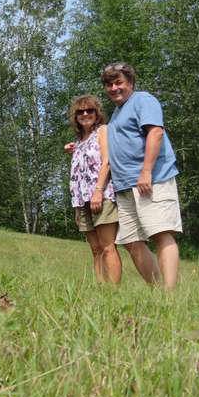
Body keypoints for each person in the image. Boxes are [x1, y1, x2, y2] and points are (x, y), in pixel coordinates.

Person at [101, 62, 182, 290]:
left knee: (160, 233)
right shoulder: (117, 113)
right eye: (109, 84)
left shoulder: (143, 100)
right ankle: (158, 291)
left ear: (131, 83)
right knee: (130, 241)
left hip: (151, 180)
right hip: (125, 186)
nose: (114, 88)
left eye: (119, 82)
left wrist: (146, 170)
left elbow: (155, 132)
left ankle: (170, 295)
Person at [66, 95, 122, 284]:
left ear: (97, 113)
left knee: (108, 246)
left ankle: (113, 292)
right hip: (82, 201)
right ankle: (101, 289)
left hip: (102, 196)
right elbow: (78, 176)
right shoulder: (79, 140)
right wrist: (76, 207)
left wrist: (98, 191)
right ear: (76, 117)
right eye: (80, 112)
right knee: (95, 249)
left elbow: (107, 161)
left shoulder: (102, 131)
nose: (85, 114)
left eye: (89, 110)